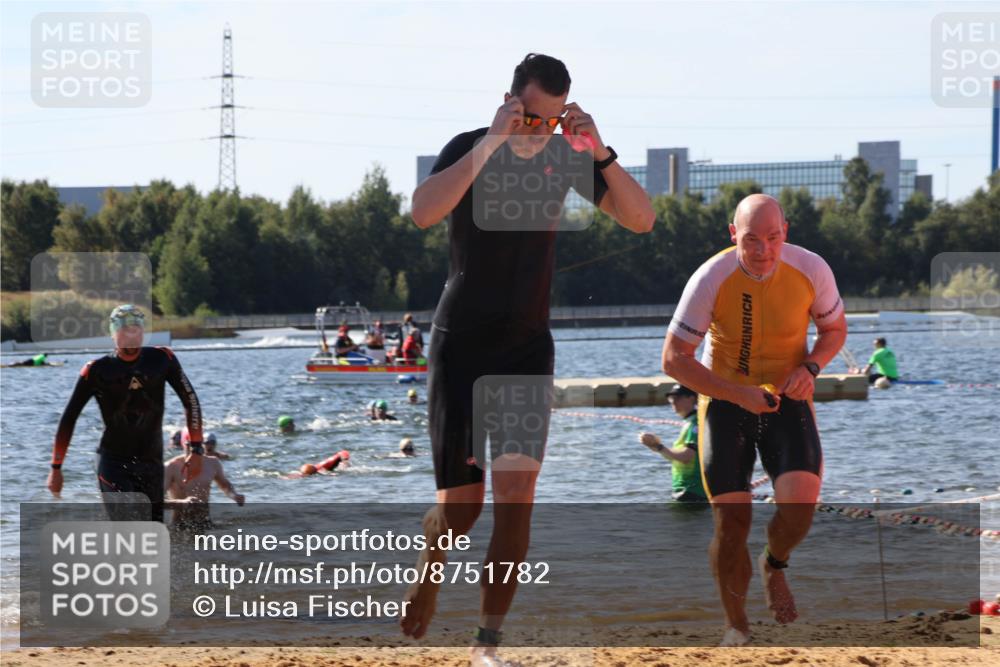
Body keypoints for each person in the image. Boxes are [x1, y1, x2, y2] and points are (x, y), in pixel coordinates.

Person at [402, 53, 654, 664]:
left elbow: (641, 219)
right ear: (510, 101)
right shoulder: (471, 145)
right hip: (461, 344)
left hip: (524, 347)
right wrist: (491, 142)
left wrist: (598, 149)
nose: (539, 131)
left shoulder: (565, 158)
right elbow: (422, 211)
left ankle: (487, 643)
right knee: (461, 512)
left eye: (550, 121)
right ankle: (431, 568)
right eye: (529, 119)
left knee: (518, 498)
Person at [661, 194, 847, 646]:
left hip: (788, 394)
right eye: (750, 240)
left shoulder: (811, 269)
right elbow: (673, 359)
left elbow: (834, 330)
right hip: (726, 402)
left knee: (800, 507)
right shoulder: (711, 277)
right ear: (733, 235)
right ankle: (737, 627)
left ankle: (774, 564)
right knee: (731, 524)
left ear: (786, 232)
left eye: (773, 238)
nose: (763, 250)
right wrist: (738, 394)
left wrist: (811, 368)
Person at [46, 305, 205, 523]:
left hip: (152, 462)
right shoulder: (96, 371)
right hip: (113, 463)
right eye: (124, 330)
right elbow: (68, 419)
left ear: (143, 333)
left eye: (136, 329)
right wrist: (56, 467)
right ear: (113, 334)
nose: (131, 335)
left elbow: (191, 401)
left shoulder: (162, 360)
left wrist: (196, 449)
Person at [638, 384, 707, 502]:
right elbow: (675, 457)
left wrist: (659, 447)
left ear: (691, 398)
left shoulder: (695, 423)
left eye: (678, 398)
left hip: (692, 491)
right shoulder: (689, 422)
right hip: (684, 489)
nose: (673, 402)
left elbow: (686, 457)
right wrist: (653, 445)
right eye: (671, 398)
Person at [164, 432, 244, 530]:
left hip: (205, 524)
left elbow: (225, 485)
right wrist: (181, 503)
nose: (194, 449)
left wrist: (234, 496)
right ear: (183, 444)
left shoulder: (213, 463)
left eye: (197, 444)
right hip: (179, 526)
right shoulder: (171, 467)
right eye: (190, 445)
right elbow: (154, 502)